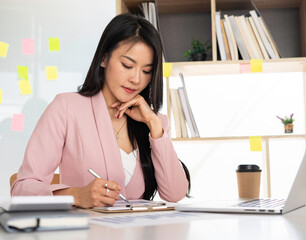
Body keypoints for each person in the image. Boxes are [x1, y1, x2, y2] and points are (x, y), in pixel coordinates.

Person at [11, 13, 190, 208]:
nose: (136, 79)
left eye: (146, 71)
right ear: (104, 58)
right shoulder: (66, 108)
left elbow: (175, 193)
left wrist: (155, 126)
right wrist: (76, 196)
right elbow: (22, 189)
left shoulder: (155, 122)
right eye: (127, 65)